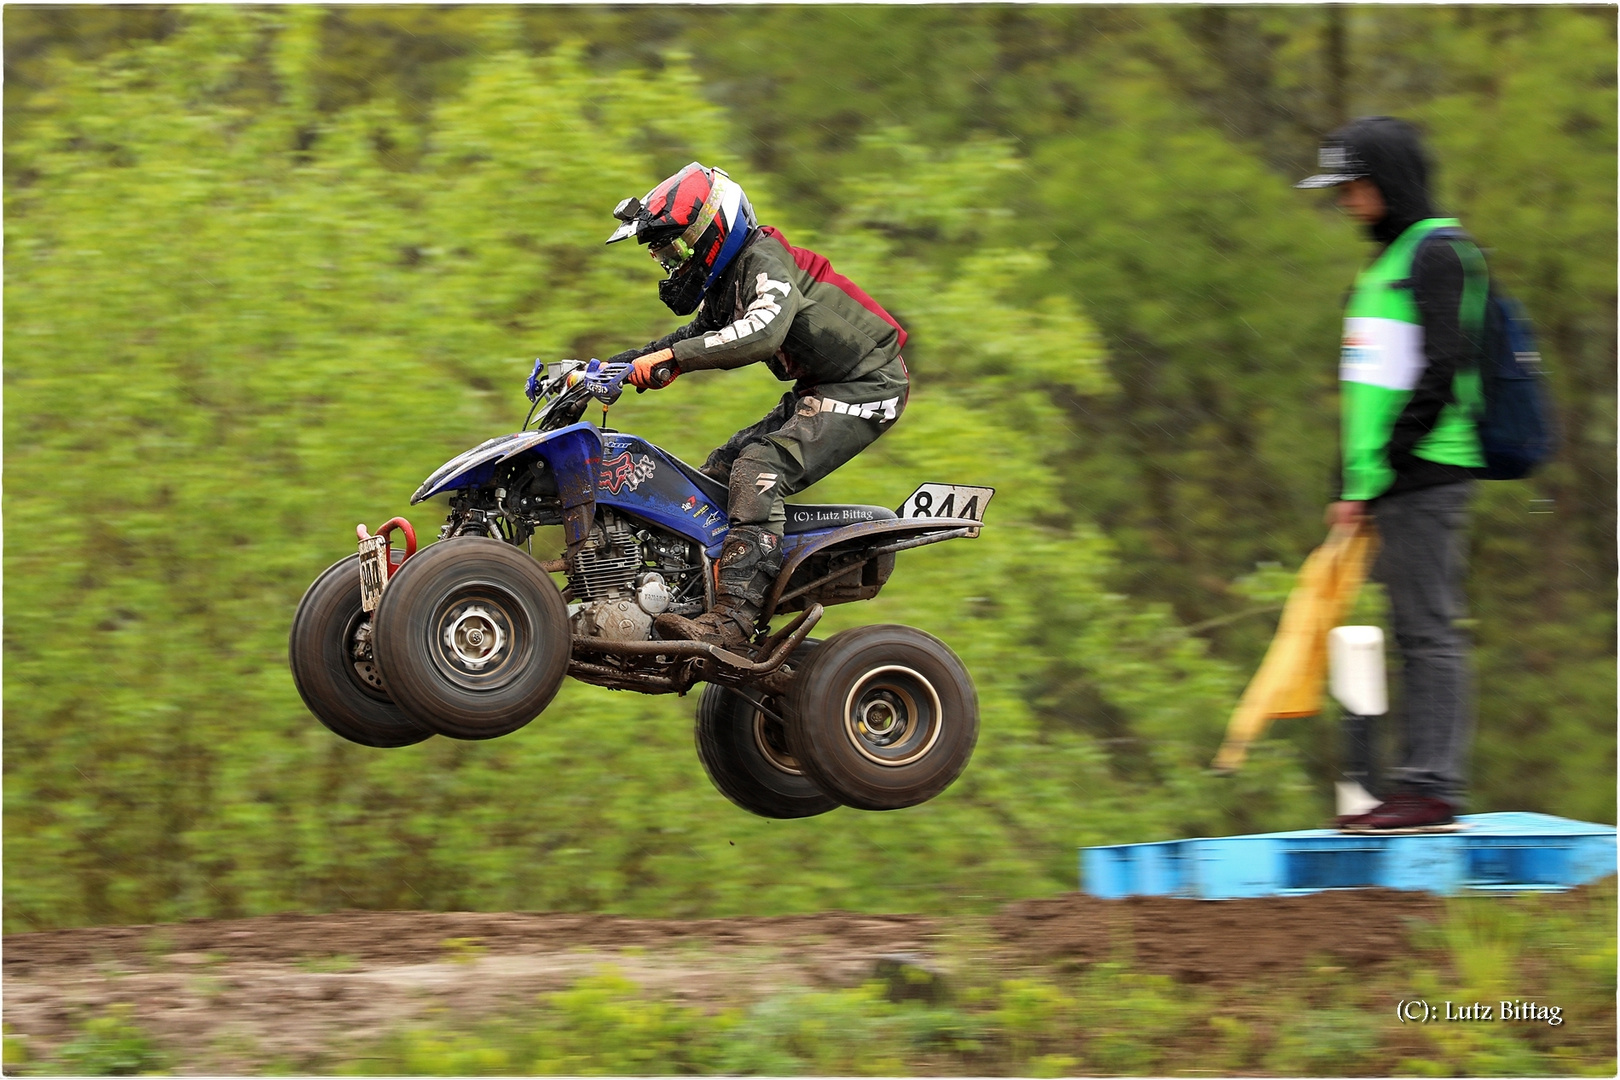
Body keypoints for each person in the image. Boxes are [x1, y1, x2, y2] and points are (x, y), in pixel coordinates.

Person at [594, 162, 909, 649]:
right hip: (821, 388)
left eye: (674, 249)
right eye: (663, 254)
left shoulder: (764, 261)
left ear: (711, 231)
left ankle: (734, 621)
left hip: (870, 385)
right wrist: (602, 369)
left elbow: (762, 333)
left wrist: (674, 360)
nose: (671, 263)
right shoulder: (729, 283)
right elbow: (689, 336)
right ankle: (694, 593)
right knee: (715, 472)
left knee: (758, 467)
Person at [1296, 117, 1486, 833]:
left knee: (1427, 632)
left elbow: (1442, 373)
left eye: (1354, 184)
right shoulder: (1385, 262)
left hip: (1428, 475)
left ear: (1388, 181)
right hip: (1388, 480)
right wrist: (1348, 483)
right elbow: (1366, 385)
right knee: (1410, 630)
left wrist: (1383, 471)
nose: (1346, 200)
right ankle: (1406, 787)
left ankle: (1431, 789)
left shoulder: (1442, 253)